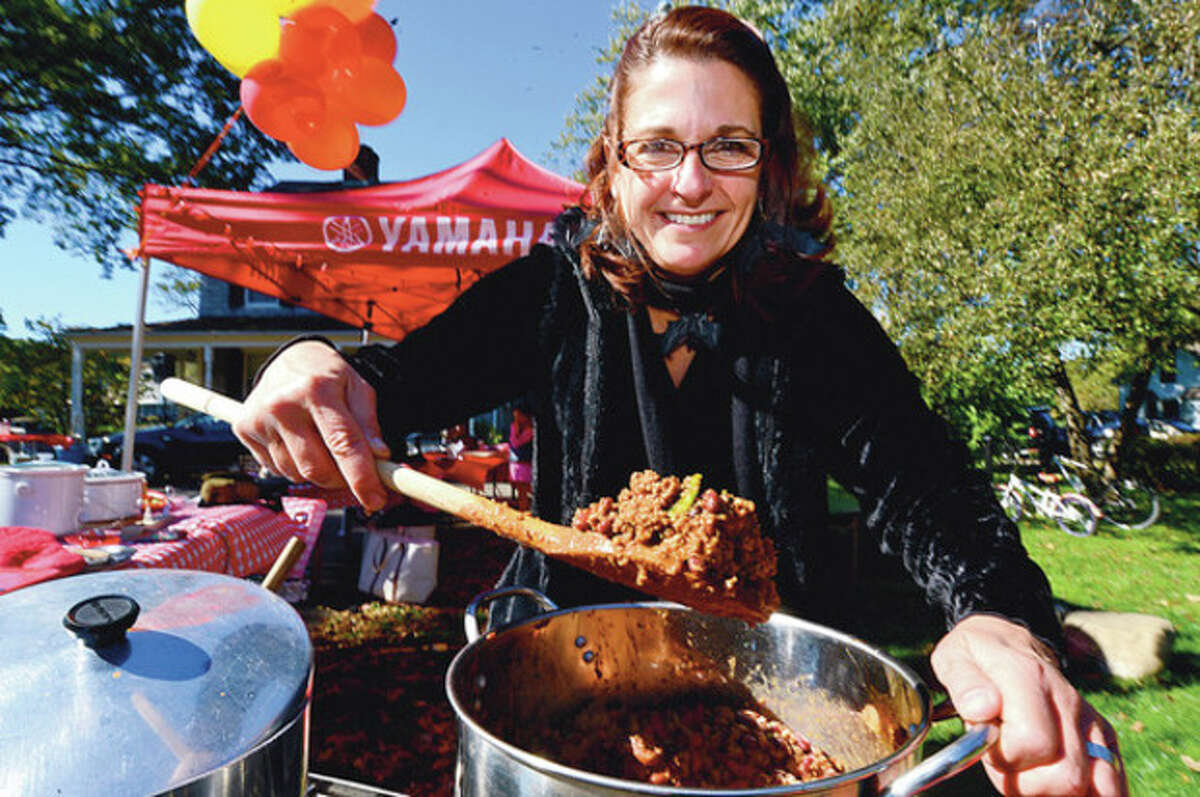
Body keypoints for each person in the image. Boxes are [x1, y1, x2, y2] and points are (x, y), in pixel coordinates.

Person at [234, 7, 1126, 795]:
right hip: (562, 715)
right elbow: (389, 385)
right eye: (657, 146)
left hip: (786, 720)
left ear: (766, 165)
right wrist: (310, 362)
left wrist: (999, 618)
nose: (690, 182)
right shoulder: (550, 294)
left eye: (727, 146)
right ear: (613, 167)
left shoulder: (816, 319)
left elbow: (928, 488)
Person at [507, 403, 534, 510]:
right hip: (515, 463)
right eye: (515, 416)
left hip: (525, 464)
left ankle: (528, 510)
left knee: (528, 490)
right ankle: (523, 510)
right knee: (520, 493)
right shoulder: (514, 427)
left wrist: (516, 430)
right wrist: (515, 429)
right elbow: (513, 442)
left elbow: (517, 442)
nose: (517, 419)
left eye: (519, 416)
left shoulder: (531, 430)